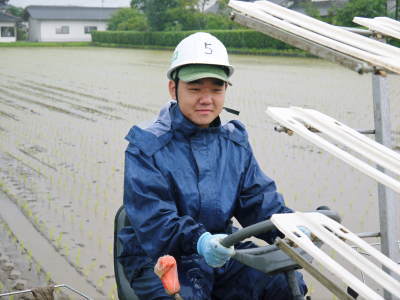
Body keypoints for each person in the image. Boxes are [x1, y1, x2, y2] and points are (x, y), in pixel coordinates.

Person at [118, 32, 307, 300]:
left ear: (225, 90)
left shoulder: (234, 143)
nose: (206, 99)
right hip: (160, 257)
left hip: (223, 248)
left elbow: (258, 201)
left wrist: (292, 228)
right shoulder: (146, 147)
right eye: (195, 88)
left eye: (216, 89)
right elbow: (156, 222)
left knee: (285, 283)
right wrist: (200, 241)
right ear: (174, 88)